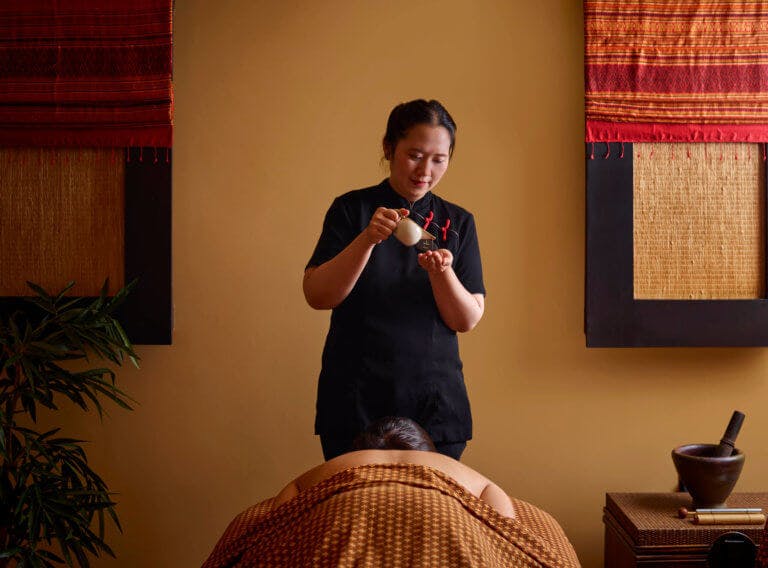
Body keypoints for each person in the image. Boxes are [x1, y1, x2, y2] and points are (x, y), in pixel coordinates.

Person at [304, 99, 485, 461]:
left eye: (439, 159)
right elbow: (317, 294)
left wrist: (442, 273)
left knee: (431, 515)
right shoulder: (351, 209)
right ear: (389, 148)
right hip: (355, 397)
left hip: (434, 400)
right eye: (415, 155)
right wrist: (367, 238)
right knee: (355, 512)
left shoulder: (458, 222)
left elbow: (466, 319)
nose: (425, 171)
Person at [274, 417, 514, 518]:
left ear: (358, 450)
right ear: (428, 452)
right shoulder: (446, 467)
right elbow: (504, 525)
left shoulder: (341, 464)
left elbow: (277, 519)